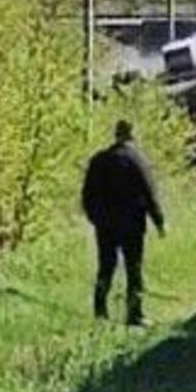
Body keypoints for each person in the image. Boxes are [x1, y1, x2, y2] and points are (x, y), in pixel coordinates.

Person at [81, 119, 165, 325]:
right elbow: (149, 193)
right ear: (132, 135)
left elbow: (86, 195)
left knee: (106, 266)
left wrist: (95, 218)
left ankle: (100, 311)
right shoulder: (136, 160)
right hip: (132, 225)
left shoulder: (99, 160)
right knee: (133, 268)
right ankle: (134, 313)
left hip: (105, 225)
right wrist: (159, 221)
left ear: (116, 134)